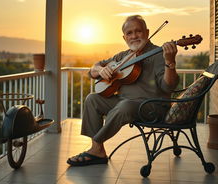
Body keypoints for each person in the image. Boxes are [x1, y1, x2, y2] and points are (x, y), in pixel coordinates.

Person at [67, 15, 179, 166]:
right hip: (123, 103)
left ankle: (95, 146)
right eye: (129, 33)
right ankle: (98, 150)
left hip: (152, 106)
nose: (134, 36)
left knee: (125, 105)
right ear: (124, 37)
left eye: (138, 31)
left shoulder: (159, 54)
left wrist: (170, 62)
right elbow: (92, 70)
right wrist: (100, 70)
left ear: (147, 32)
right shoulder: (123, 56)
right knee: (92, 99)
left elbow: (168, 87)